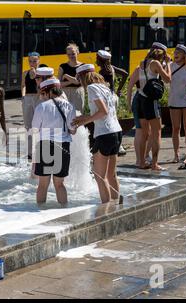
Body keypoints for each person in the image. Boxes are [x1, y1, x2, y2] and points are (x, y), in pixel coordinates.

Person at [72, 64, 123, 204]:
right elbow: (106, 112)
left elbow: (103, 111)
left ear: (83, 77)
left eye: (79, 78)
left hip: (105, 133)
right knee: (111, 175)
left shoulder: (92, 88)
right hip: (116, 131)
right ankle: (116, 205)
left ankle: (106, 210)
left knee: (100, 176)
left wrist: (85, 121)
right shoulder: (104, 87)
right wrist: (86, 117)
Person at [127, 42, 171, 171]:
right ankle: (154, 163)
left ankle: (141, 162)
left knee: (144, 134)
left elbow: (132, 83)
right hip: (150, 101)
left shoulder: (142, 63)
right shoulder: (156, 64)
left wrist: (128, 103)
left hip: (140, 99)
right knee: (157, 132)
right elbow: (168, 79)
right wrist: (168, 63)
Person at [32, 78, 76, 205]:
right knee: (60, 184)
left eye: (42, 94)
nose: (42, 96)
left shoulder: (42, 107)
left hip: (45, 145)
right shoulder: (69, 106)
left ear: (48, 92)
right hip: (63, 146)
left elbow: (35, 129)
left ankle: (40, 213)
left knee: (43, 185)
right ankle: (64, 212)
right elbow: (72, 130)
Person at [95, 50, 129, 156]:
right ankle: (119, 145)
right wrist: (118, 89)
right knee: (114, 119)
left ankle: (118, 146)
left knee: (110, 120)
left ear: (100, 60)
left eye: (97, 58)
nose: (96, 60)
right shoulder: (112, 68)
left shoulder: (102, 72)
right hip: (113, 97)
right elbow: (125, 74)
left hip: (107, 99)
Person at [21, 52, 41, 159]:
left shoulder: (42, 74)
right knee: (28, 125)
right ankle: (29, 152)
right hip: (28, 98)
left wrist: (35, 75)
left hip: (38, 98)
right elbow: (23, 85)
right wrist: (23, 97)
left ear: (39, 61)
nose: (32, 63)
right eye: (30, 61)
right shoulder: (25, 73)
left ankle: (39, 149)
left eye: (34, 61)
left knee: (39, 125)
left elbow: (41, 87)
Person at [57, 43, 85, 114]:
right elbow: (59, 84)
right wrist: (73, 81)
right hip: (65, 93)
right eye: (68, 54)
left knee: (78, 114)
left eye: (73, 54)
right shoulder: (62, 66)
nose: (71, 56)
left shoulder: (83, 66)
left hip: (78, 93)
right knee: (65, 115)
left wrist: (66, 76)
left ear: (77, 53)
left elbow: (82, 82)